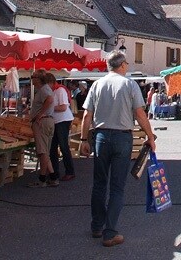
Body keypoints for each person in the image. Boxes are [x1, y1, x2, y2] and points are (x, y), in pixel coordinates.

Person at [79, 51, 155, 248]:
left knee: (99, 183)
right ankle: (110, 232)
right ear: (121, 65)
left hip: (101, 136)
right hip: (122, 136)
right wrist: (150, 136)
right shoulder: (129, 84)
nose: (127, 66)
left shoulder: (97, 84)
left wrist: (83, 139)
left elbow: (87, 115)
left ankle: (97, 226)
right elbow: (139, 113)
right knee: (117, 187)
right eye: (127, 63)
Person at [27, 71, 57, 188]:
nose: (31, 79)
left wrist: (39, 114)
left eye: (32, 77)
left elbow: (49, 100)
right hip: (47, 121)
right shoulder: (45, 89)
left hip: (42, 122)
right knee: (45, 151)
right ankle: (53, 177)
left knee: (42, 152)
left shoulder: (44, 89)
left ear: (38, 79)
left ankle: (42, 179)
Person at [47, 73, 76, 182]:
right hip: (56, 121)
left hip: (63, 121)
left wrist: (50, 108)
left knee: (63, 146)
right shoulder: (53, 91)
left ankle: (70, 172)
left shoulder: (60, 90)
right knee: (52, 147)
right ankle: (54, 172)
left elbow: (63, 107)